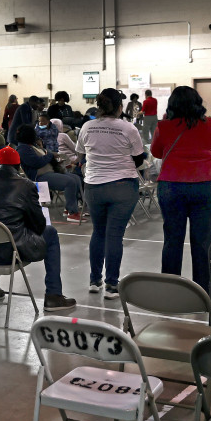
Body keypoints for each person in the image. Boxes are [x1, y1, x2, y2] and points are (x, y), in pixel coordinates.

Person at [0, 147, 76, 311]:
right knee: (51, 233)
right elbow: (39, 224)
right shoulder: (25, 185)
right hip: (9, 250)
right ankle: (54, 295)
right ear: (18, 165)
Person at [150, 86, 211, 293]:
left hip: (173, 185)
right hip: (207, 184)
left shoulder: (163, 126)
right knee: (203, 242)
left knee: (173, 239)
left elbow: (156, 152)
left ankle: (171, 291)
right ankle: (204, 292)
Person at [74, 88, 144, 298]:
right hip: (122, 186)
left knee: (98, 232)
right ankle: (112, 285)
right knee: (114, 235)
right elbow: (139, 159)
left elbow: (80, 155)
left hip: (94, 187)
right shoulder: (128, 128)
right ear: (119, 107)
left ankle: (95, 281)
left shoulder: (87, 126)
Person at [15, 124, 84, 221]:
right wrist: (50, 155)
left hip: (50, 172)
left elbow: (45, 155)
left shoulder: (32, 146)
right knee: (70, 182)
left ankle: (68, 209)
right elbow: (37, 162)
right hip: (39, 177)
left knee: (76, 178)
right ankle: (72, 213)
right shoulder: (23, 149)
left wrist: (52, 156)